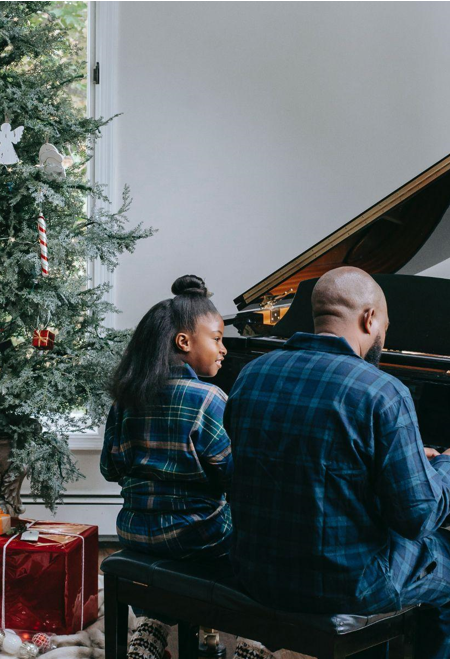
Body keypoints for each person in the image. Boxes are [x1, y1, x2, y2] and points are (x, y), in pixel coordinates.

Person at [224, 266, 450, 659]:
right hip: (348, 585)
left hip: (256, 572)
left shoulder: (250, 376)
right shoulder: (383, 391)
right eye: (385, 325)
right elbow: (416, 519)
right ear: (369, 318)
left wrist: (400, 458)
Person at [102, 275, 264, 659]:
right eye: (218, 338)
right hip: (200, 539)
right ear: (184, 342)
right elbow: (233, 477)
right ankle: (253, 638)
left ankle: (152, 625)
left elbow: (111, 468)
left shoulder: (127, 398)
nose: (223, 349)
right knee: (261, 540)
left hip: (135, 535)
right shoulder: (209, 398)